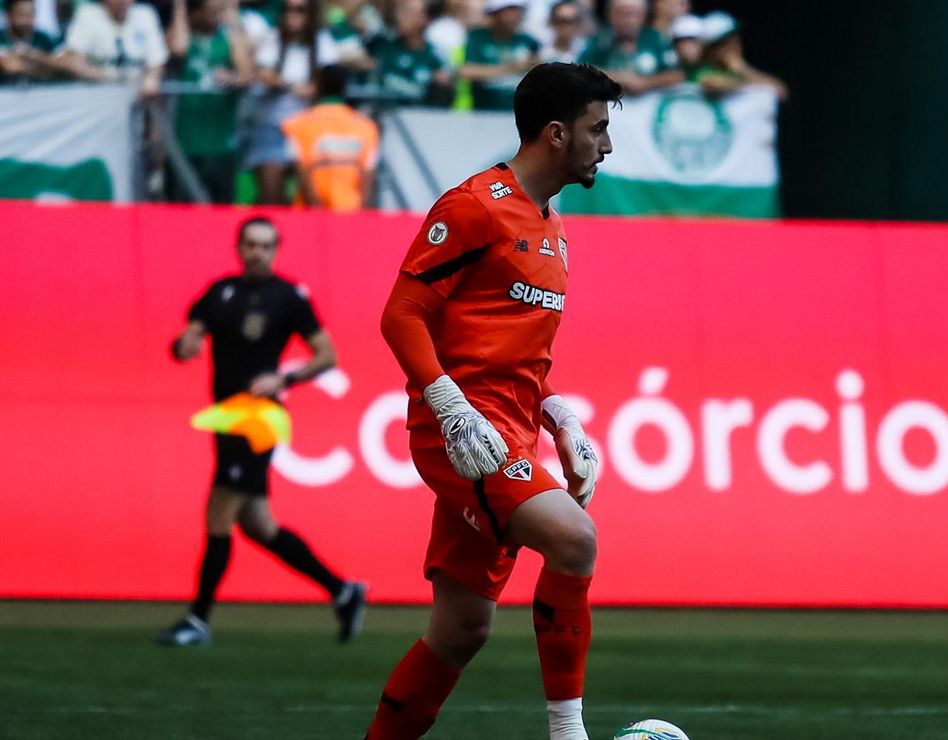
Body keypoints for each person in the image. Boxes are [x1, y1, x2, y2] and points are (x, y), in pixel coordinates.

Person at [369, 61, 621, 739]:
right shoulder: (473, 206)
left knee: (459, 632)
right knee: (575, 539)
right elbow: (401, 316)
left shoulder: (554, 231)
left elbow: (516, 359)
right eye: (598, 129)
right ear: (556, 133)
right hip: (460, 436)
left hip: (511, 431)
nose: (608, 144)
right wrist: (450, 406)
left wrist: (562, 419)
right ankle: (568, 733)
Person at [157, 215, 367, 647]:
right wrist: (185, 346)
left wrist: (284, 379)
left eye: (267, 245)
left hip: (258, 419)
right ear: (239, 247)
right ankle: (343, 592)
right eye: (252, 244)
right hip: (226, 417)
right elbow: (187, 338)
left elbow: (327, 354)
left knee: (218, 512)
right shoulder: (220, 293)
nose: (258, 252)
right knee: (258, 525)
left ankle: (198, 620)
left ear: (276, 249)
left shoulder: (288, 297)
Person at [247, 0, 337, 204]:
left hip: (309, 129)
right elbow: (263, 73)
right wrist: (292, 86)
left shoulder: (321, 41)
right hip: (273, 125)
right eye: (287, 9)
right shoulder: (273, 38)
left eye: (299, 10)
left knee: (311, 196)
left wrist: (306, 88)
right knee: (272, 193)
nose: (292, 14)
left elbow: (329, 79)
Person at [165, 0, 253, 203]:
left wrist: (233, 79)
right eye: (211, 8)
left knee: (221, 209)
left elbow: (247, 73)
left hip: (222, 146)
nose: (216, 12)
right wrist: (180, 6)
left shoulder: (227, 39)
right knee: (182, 209)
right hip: (184, 145)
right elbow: (178, 47)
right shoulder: (188, 39)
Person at [281, 64, 380, 211]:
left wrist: (316, 207)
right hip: (351, 212)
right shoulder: (366, 126)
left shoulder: (298, 123)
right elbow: (368, 172)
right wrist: (361, 211)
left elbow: (301, 170)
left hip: (309, 214)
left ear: (317, 86)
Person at [61, 0, 169, 95]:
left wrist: (152, 78)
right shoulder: (87, 14)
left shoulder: (145, 14)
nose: (124, 1)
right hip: (95, 98)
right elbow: (74, 60)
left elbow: (157, 60)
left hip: (135, 100)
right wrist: (108, 77)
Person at [577, 0, 677, 95]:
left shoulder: (656, 40)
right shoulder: (598, 40)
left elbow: (676, 74)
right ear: (611, 14)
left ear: (644, 16)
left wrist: (645, 82)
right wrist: (618, 78)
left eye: (634, 14)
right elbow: (581, 69)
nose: (628, 20)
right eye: (622, 13)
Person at [366, 0, 453, 107]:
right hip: (378, 113)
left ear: (426, 19)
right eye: (399, 12)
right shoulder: (380, 44)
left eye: (408, 13)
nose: (399, 17)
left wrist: (443, 85)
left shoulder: (435, 56)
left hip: (417, 117)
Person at [459, 0, 539, 111]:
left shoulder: (528, 40)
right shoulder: (478, 38)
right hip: (485, 113)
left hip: (519, 114)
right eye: (510, 10)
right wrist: (511, 68)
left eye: (517, 10)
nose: (515, 15)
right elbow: (466, 71)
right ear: (495, 13)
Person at [695, 11, 787, 101]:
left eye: (734, 37)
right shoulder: (703, 70)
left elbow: (781, 92)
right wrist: (746, 79)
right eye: (725, 42)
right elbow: (711, 84)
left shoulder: (737, 71)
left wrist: (742, 68)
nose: (734, 45)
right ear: (710, 50)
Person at [0, 0, 67, 81]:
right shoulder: (2, 38)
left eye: (30, 14)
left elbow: (66, 62)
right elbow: (10, 66)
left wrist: (32, 54)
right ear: (8, 14)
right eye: (21, 14)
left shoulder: (43, 38)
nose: (26, 20)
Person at [540, 0, 583, 64]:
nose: (567, 26)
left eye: (572, 21)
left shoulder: (587, 50)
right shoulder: (539, 48)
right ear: (552, 22)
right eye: (562, 21)